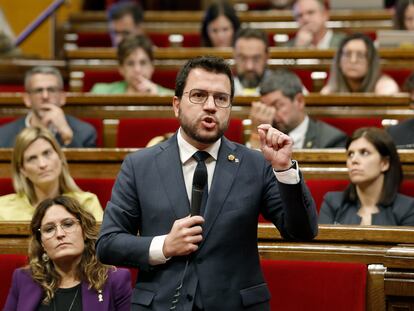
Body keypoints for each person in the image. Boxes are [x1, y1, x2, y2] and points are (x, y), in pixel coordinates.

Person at [96, 56, 318, 310]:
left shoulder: (256, 165)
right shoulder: (140, 165)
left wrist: (285, 170)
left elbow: (302, 232)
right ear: (177, 105)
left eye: (221, 98)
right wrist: (164, 246)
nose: (211, 106)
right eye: (199, 95)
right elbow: (108, 244)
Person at [4, 195, 132, 310]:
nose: (60, 234)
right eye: (49, 229)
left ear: (84, 231)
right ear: (42, 242)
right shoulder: (23, 279)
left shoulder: (115, 280)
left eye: (68, 224)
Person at [0, 127, 103, 221]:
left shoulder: (87, 204)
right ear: (22, 169)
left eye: (47, 153)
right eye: (32, 158)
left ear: (60, 157)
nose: (42, 164)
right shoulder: (3, 209)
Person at [319, 127, 414, 226]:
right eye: (350, 154)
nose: (354, 160)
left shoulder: (408, 208)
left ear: (384, 163)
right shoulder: (333, 203)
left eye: (364, 153)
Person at [249, 68, 347, 149]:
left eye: (277, 106)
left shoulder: (332, 140)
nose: (271, 114)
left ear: (299, 101)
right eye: (265, 108)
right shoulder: (265, 136)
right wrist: (257, 136)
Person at [0, 66, 97, 148]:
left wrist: (67, 136)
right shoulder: (3, 135)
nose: (45, 96)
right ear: (27, 99)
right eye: (38, 90)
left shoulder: (85, 133)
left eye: (51, 90)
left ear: (62, 97)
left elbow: (84, 169)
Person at [91, 35, 173, 95]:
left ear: (152, 66)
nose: (137, 69)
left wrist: (157, 98)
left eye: (143, 63)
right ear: (121, 69)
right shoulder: (100, 92)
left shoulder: (170, 97)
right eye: (130, 63)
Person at [321, 33, 399, 95]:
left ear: (371, 61)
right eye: (347, 54)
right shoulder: (329, 91)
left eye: (360, 55)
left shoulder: (386, 88)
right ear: (339, 61)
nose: (353, 60)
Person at [233, 28, 270, 96]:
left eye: (256, 59)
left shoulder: (281, 91)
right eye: (243, 58)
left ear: (266, 58)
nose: (249, 67)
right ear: (234, 56)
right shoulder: (222, 89)